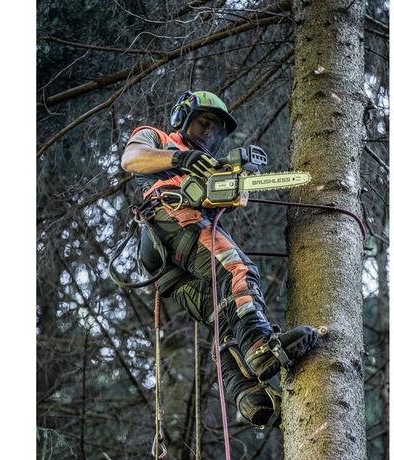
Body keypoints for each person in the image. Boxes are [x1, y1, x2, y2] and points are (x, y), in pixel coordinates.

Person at [121, 90, 319, 428]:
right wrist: (179, 160)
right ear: (183, 117)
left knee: (222, 311)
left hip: (168, 263)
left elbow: (215, 196)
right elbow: (131, 159)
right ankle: (259, 343)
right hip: (171, 223)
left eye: (216, 128)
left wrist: (232, 178)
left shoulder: (207, 167)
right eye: (203, 122)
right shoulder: (158, 139)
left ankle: (246, 392)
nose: (209, 132)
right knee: (237, 269)